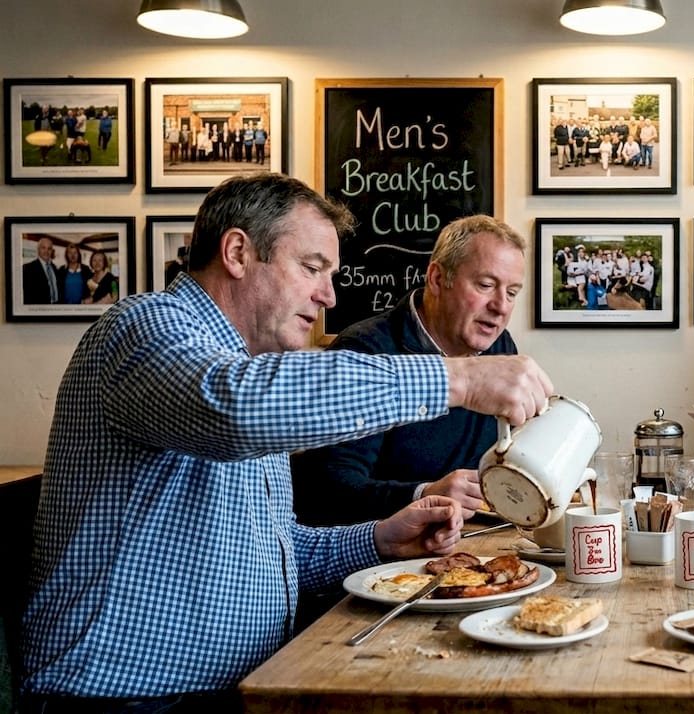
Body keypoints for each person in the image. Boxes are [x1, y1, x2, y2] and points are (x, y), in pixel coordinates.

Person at [20, 173, 554, 710]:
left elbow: (275, 552)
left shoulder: (253, 369)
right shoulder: (142, 327)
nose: (328, 295)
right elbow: (232, 410)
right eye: (312, 268)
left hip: (241, 683)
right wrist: (458, 379)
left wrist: (380, 540)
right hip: (124, 697)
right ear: (237, 252)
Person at [292, 215, 527, 526]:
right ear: (437, 278)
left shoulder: (500, 346)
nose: (501, 306)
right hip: (380, 562)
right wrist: (421, 494)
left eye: (511, 293)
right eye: (485, 285)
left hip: (474, 543)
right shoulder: (367, 351)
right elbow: (324, 493)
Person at [22, 237, 60, 304]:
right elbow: (26, 296)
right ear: (38, 249)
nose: (46, 251)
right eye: (43, 248)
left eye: (49, 249)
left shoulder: (54, 268)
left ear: (52, 251)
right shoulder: (27, 268)